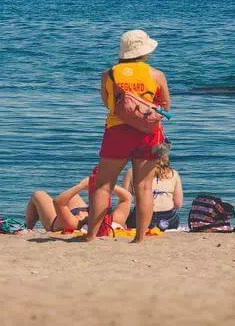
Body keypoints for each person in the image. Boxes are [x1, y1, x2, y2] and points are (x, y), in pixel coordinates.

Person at [85, 29, 171, 243]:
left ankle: (91, 237)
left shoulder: (109, 74)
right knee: (144, 187)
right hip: (149, 134)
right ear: (145, 51)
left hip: (117, 132)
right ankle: (139, 238)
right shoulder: (156, 75)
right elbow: (165, 108)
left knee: (103, 185)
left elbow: (108, 104)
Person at [25, 167, 132, 233]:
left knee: (38, 194)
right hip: (87, 212)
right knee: (74, 197)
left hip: (58, 220)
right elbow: (127, 198)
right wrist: (106, 185)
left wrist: (81, 186)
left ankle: (28, 227)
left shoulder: (74, 223)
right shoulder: (115, 219)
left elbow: (58, 202)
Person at [121, 147, 183, 231]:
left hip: (140, 218)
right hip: (167, 220)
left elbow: (124, 201)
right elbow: (178, 204)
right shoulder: (174, 174)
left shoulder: (132, 172)